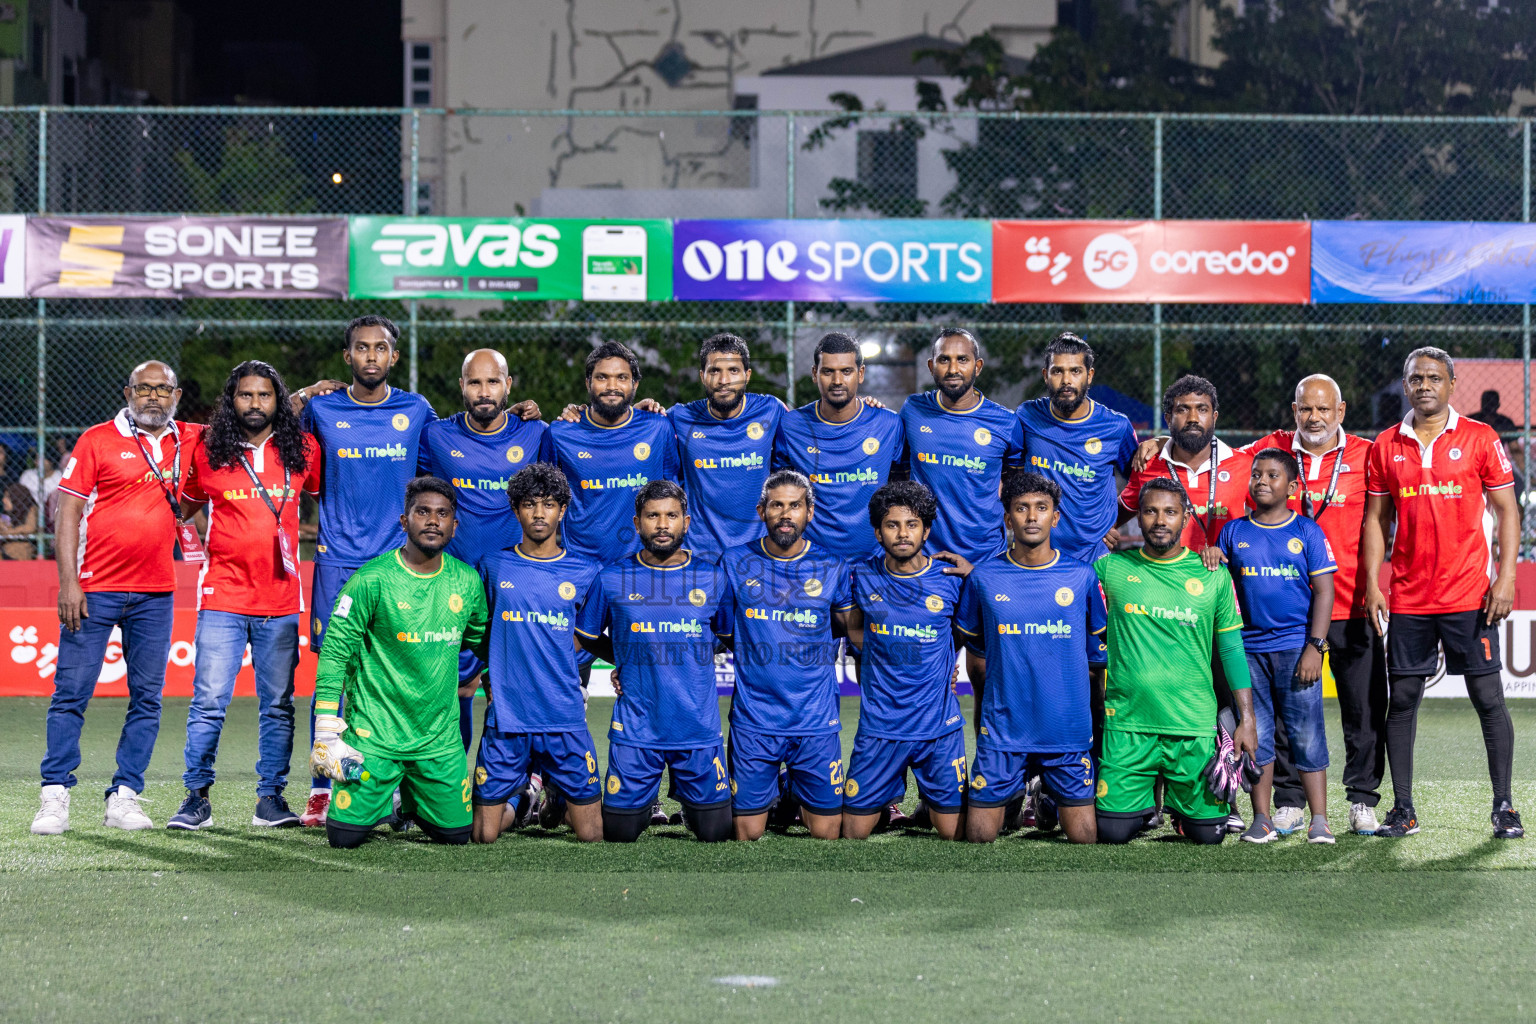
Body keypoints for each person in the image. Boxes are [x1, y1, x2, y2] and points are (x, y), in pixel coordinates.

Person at [32, 361, 203, 835]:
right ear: (128, 391)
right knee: (71, 694)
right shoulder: (97, 439)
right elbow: (69, 512)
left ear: (177, 394)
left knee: (147, 699)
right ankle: (55, 796)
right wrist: (69, 581)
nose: (153, 397)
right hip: (95, 589)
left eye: (162, 389)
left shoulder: (191, 437)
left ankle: (124, 796)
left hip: (155, 592)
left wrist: (307, 393)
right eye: (144, 388)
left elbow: (251, 419)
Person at [1361, 347, 1524, 840]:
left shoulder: (1481, 437)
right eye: (1415, 378)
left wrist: (1507, 577)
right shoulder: (1386, 445)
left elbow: (1506, 511)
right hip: (1410, 598)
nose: (1424, 385)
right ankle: (1403, 810)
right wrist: (1373, 581)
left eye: (1434, 377)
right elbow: (1376, 519)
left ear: (1453, 384)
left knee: (1488, 699)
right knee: (1403, 701)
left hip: (1470, 595)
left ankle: (1504, 806)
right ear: (1405, 385)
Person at [167, 361, 323, 831]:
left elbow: (325, 495)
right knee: (209, 701)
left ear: (279, 400)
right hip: (222, 596)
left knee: (277, 704)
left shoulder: (304, 450)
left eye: (264, 396)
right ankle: (196, 798)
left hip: (280, 599)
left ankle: (270, 800)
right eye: (245, 395)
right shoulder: (209, 451)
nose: (255, 404)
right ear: (231, 400)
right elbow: (185, 506)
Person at [295, 314, 435, 826]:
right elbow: (279, 439)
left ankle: (395, 785)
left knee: (398, 674)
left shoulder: (416, 410)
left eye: (380, 348)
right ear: (347, 356)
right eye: (361, 348)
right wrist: (301, 396)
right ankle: (321, 787)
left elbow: (456, 451)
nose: (371, 356)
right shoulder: (323, 410)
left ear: (394, 357)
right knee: (333, 676)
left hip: (400, 564)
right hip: (338, 563)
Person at [1239, 375, 1385, 836]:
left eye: (1324, 409)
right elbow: (1217, 461)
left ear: (1340, 412)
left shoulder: (1367, 454)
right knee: (1287, 715)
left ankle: (1362, 800)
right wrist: (1160, 442)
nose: (1314, 418)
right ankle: (1289, 801)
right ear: (1294, 410)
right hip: (1292, 617)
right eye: (1306, 409)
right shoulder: (1272, 452)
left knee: (1361, 710)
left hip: (1354, 605)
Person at [311, 477, 489, 848]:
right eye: (422, 511)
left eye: (442, 514)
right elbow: (335, 651)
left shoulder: (467, 582)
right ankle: (391, 798)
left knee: (456, 837)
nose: (433, 521)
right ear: (403, 521)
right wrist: (326, 727)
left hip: (437, 740)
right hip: (375, 737)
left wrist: (509, 685)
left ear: (455, 526)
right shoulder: (370, 580)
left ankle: (408, 800)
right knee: (342, 838)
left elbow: (484, 644)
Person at [1092, 478, 1258, 845]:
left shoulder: (1212, 575)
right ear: (1138, 517)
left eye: (1170, 512)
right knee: (1110, 832)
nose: (1160, 520)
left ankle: (1183, 814)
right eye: (1150, 511)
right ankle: (1144, 806)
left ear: (1186, 518)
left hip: (1193, 726)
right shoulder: (1111, 570)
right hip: (1129, 727)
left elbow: (1231, 650)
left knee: (1209, 836)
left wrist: (1247, 719)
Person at [574, 480, 733, 843]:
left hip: (696, 728)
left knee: (717, 833)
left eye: (671, 515)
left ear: (686, 522)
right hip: (636, 730)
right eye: (652, 516)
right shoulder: (612, 577)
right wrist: (629, 660)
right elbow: (584, 636)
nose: (662, 525)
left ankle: (691, 807)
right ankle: (644, 806)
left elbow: (727, 637)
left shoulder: (712, 577)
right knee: (618, 833)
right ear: (636, 523)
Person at [956, 472, 1106, 844]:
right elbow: (975, 652)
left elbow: (1096, 662)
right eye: (1021, 508)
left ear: (1055, 518)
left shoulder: (1081, 577)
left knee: (1085, 841)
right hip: (1004, 733)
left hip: (1066, 733)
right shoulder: (983, 579)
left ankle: (1043, 796)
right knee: (977, 840)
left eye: (1042, 508)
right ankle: (1023, 794)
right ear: (1008, 519)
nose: (1031, 517)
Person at [418, 348, 546, 750]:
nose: (484, 390)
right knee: (455, 691)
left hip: (515, 582)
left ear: (509, 385)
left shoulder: (538, 433)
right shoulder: (436, 436)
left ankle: (520, 784)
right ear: (462, 387)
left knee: (513, 691)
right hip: (456, 586)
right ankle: (450, 783)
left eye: (493, 381)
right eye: (475, 382)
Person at [713, 470, 852, 841]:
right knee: (747, 833)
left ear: (810, 512)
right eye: (777, 505)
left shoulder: (833, 566)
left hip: (815, 719)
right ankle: (776, 790)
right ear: (762, 511)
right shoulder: (734, 561)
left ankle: (790, 789)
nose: (785, 513)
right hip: (755, 720)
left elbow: (845, 626)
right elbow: (724, 629)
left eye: (795, 505)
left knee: (826, 832)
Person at [474, 463, 603, 843]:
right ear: (515, 510)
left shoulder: (585, 571)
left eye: (548, 504)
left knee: (592, 836)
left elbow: (588, 638)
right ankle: (521, 800)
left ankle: (557, 798)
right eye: (529, 504)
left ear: (563, 510)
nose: (539, 513)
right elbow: (481, 632)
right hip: (508, 717)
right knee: (484, 835)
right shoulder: (493, 566)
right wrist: (493, 672)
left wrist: (560, 663)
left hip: (564, 716)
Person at [1214, 449, 1337, 844]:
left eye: (1272, 475)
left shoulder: (1307, 532)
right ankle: (1262, 819)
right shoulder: (1233, 532)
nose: (1262, 481)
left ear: (1292, 486)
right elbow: (1219, 586)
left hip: (1297, 651)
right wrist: (1212, 554)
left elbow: (1324, 591)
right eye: (1256, 474)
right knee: (1258, 734)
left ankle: (1319, 819)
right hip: (1248, 652)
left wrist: (1315, 647)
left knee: (1306, 735)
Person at [841, 481, 971, 841]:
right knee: (852, 834)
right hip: (881, 729)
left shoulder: (950, 579)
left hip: (938, 729)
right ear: (878, 532)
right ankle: (883, 800)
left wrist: (945, 661)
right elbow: (856, 634)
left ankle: (932, 800)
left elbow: (962, 633)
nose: (902, 533)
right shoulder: (860, 575)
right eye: (892, 525)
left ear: (926, 530)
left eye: (912, 525)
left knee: (956, 834)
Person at [540, 341, 679, 565]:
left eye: (622, 378)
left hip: (642, 564)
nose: (611, 386)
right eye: (602, 377)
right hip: (580, 564)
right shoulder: (559, 434)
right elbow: (544, 501)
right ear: (588, 383)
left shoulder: (658, 428)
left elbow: (674, 495)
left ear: (635, 384)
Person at [772, 333, 907, 562]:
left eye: (846, 371)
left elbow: (902, 487)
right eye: (828, 372)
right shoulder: (791, 425)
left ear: (860, 373)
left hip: (874, 562)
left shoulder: (889, 425)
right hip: (811, 562)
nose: (837, 381)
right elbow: (780, 488)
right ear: (815, 374)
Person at [1013, 332, 1140, 563]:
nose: (1066, 381)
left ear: (1089, 376)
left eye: (1075, 371)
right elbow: (1010, 472)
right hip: (1035, 555)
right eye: (1057, 371)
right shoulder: (1027, 416)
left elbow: (1141, 483)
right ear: (1045, 375)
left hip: (1093, 558)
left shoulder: (1115, 426)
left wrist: (1113, 521)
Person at [900, 328, 1023, 564]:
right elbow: (898, 469)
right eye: (944, 359)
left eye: (962, 360)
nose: (953, 369)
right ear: (931, 366)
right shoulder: (913, 410)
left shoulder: (1006, 422)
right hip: (925, 557)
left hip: (986, 558)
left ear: (977, 366)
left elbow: (1015, 482)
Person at [668, 333, 786, 563]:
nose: (724, 380)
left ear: (747, 375)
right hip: (699, 552)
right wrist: (638, 410)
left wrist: (866, 406)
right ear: (702, 376)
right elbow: (638, 425)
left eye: (733, 371)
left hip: (758, 552)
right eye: (714, 371)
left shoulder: (771, 410)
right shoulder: (680, 417)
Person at [1120, 375, 1252, 552]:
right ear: (1168, 419)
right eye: (1183, 409)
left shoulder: (1244, 464)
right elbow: (1119, 513)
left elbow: (1273, 519)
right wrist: (1104, 531)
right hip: (1165, 576)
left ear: (1214, 417)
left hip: (1224, 576)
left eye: (1202, 409)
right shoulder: (1147, 464)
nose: (1193, 418)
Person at [0, 481, 38, 560]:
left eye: (7, 497)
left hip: (21, 555)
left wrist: (10, 531)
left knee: (22, 548)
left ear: (16, 498)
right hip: (5, 553)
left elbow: (30, 528)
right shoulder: (6, 514)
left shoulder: (30, 509)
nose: (3, 500)